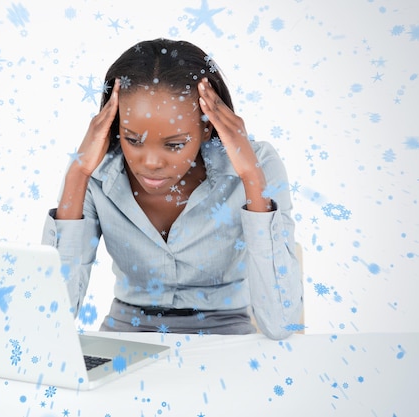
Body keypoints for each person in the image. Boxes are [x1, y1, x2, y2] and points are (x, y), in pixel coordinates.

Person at [42, 38, 303, 340]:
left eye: (175, 144)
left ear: (207, 127)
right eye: (133, 139)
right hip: (127, 334)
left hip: (224, 334)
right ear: (114, 125)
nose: (150, 163)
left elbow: (281, 324)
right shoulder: (93, 173)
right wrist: (78, 174)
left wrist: (251, 177)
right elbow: (50, 319)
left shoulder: (257, 165)